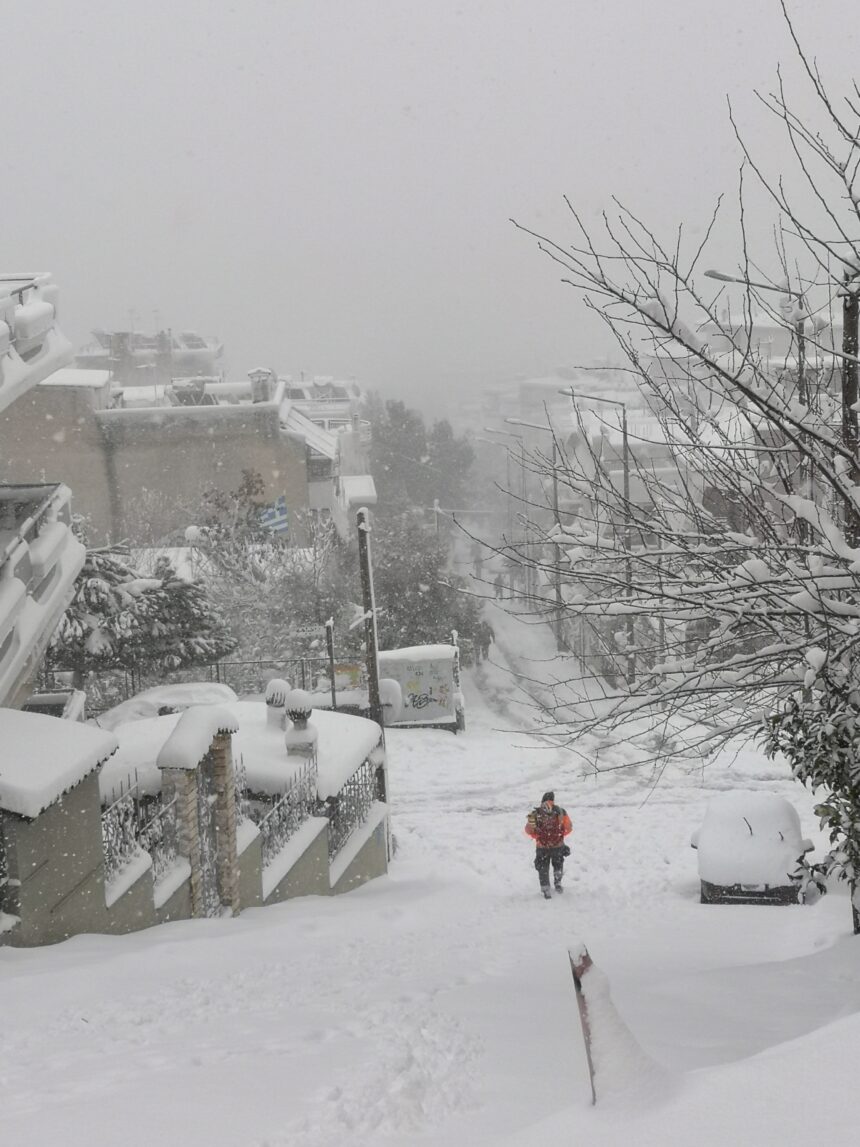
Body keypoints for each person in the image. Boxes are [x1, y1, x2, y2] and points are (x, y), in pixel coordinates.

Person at [525, 791, 572, 899]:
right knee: (558, 864)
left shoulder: (535, 813)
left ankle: (546, 889)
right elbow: (569, 828)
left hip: (542, 846)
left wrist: (538, 836)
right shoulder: (561, 811)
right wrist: (559, 836)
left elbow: (528, 830)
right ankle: (558, 882)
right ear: (553, 800)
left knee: (543, 867)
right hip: (557, 845)